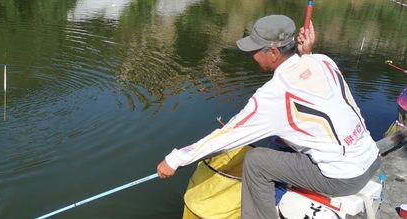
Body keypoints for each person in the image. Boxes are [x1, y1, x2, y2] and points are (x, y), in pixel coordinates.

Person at [156, 15, 380, 219]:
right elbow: (313, 85)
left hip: (343, 178)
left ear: (273, 52)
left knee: (256, 162)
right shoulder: (322, 61)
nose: (252, 56)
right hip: (370, 158)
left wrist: (175, 160)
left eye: (256, 50)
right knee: (279, 140)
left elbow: (229, 134)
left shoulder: (274, 95)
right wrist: (307, 54)